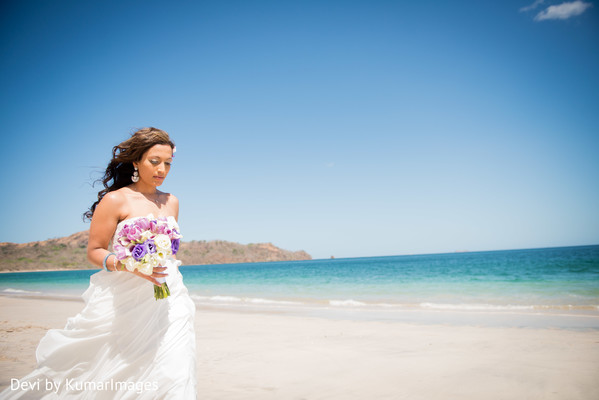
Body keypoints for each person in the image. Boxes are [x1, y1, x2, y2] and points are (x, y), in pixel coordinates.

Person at [0, 127, 197, 399]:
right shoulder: (115, 200)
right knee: (118, 367)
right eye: (154, 161)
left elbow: (170, 248)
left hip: (169, 296)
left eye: (168, 163)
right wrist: (128, 265)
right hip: (126, 298)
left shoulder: (171, 201)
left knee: (174, 368)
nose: (162, 169)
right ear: (136, 162)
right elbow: (94, 251)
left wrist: (160, 263)